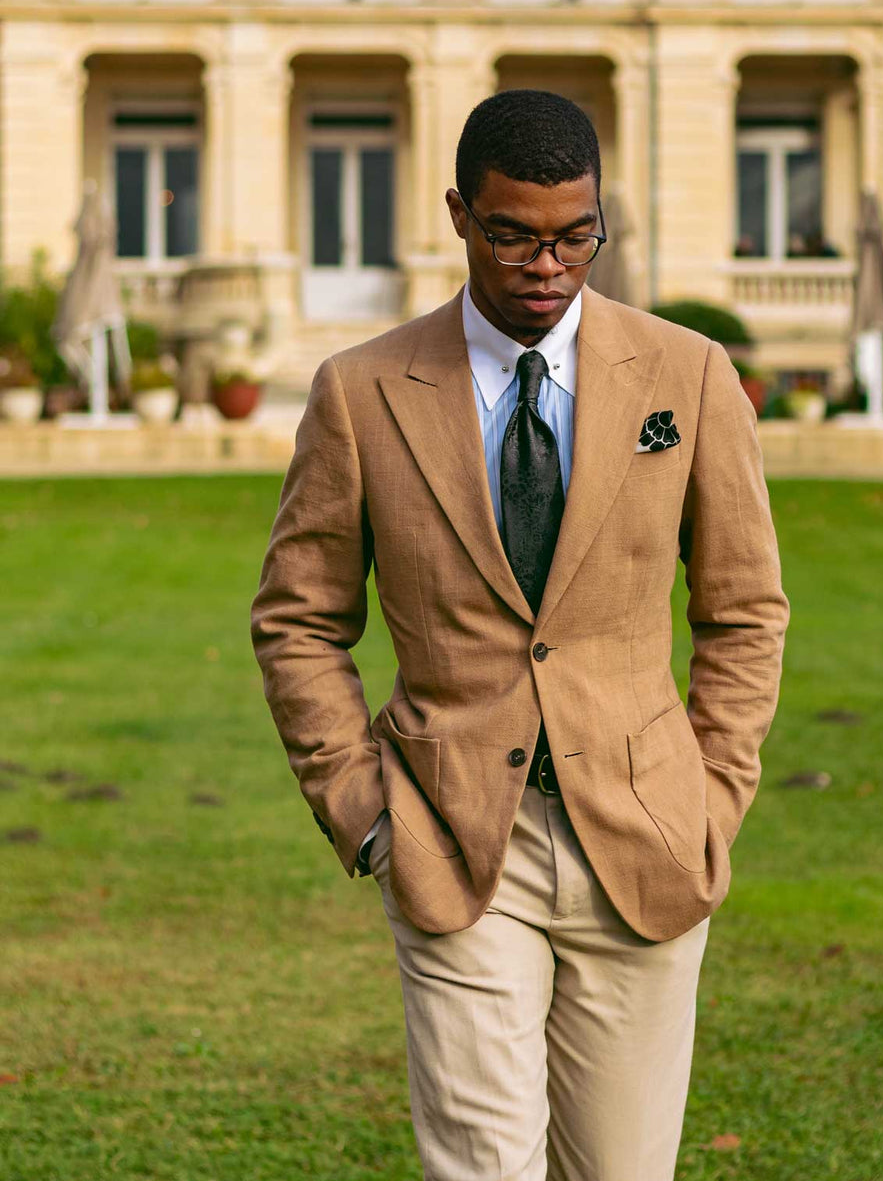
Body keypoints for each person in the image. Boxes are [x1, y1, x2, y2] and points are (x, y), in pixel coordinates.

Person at [250, 88, 789, 1181]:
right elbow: (298, 618)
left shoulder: (688, 375)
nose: (548, 265)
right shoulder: (358, 394)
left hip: (645, 837)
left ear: (601, 221)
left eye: (575, 237)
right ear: (460, 214)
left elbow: (743, 609)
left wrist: (714, 790)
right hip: (451, 838)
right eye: (514, 236)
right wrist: (363, 809)